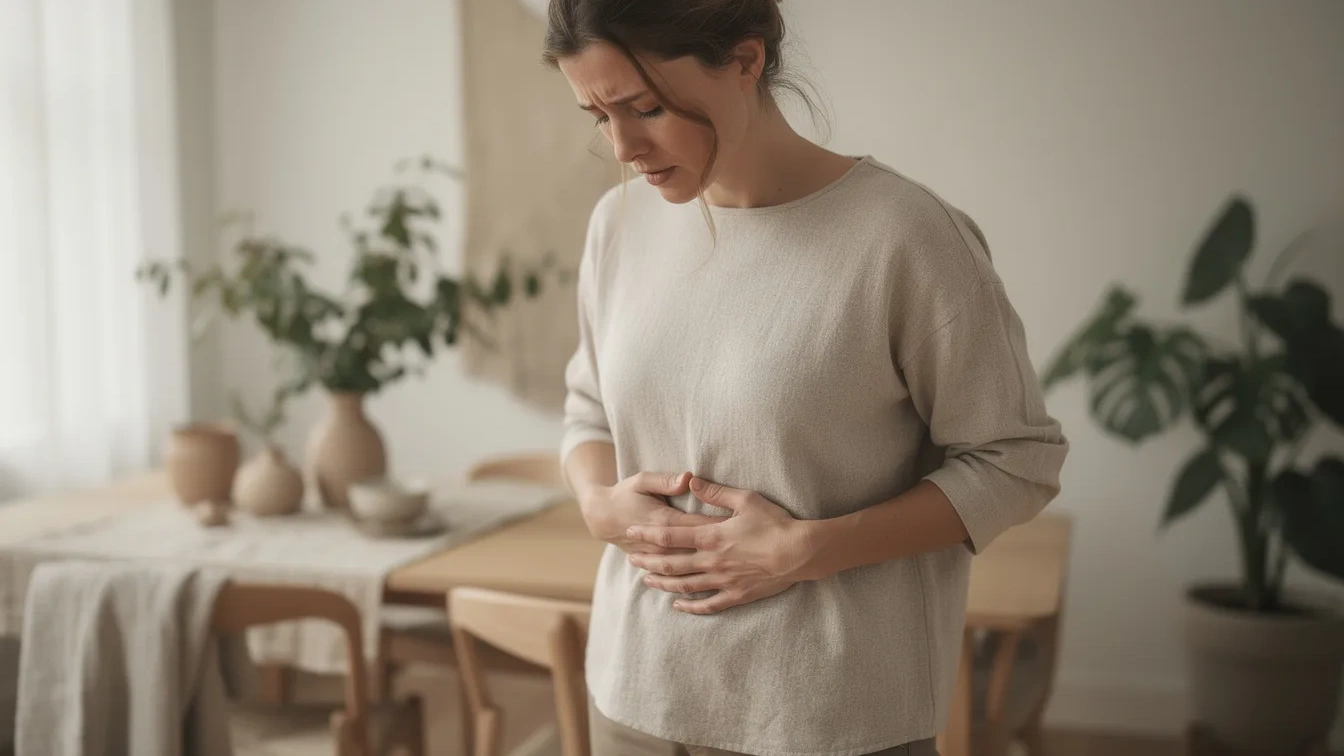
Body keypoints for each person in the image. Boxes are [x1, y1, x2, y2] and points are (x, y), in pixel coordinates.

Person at [546, 2, 1069, 755]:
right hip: (635, 694)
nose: (624, 147)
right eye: (599, 116)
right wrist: (600, 504)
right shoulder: (618, 223)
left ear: (745, 59)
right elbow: (589, 409)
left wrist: (806, 549)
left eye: (646, 108)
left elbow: (1016, 461)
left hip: (828, 715)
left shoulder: (904, 237)